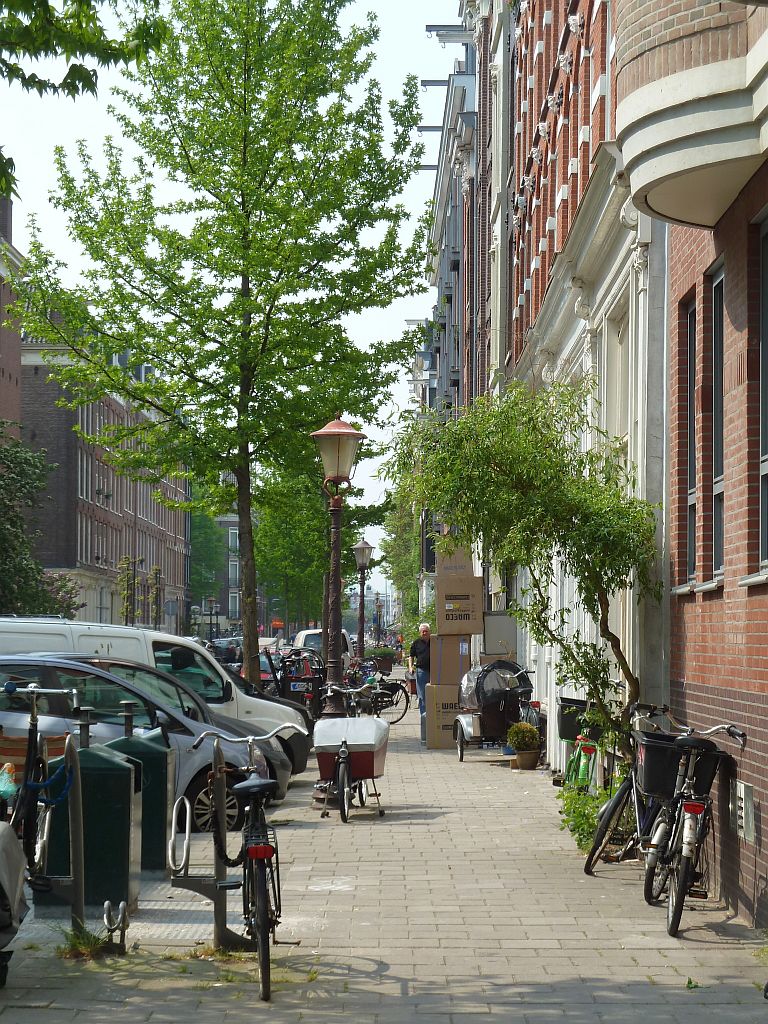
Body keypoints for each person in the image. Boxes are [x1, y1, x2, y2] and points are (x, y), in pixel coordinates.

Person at [408, 623, 431, 718]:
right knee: (422, 695)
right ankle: (424, 717)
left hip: (434, 671)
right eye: (423, 631)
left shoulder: (435, 641)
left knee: (434, 694)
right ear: (420, 633)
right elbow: (411, 656)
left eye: (426, 631)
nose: (425, 633)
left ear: (430, 632)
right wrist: (410, 667)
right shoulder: (416, 643)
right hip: (421, 671)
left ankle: (432, 715)